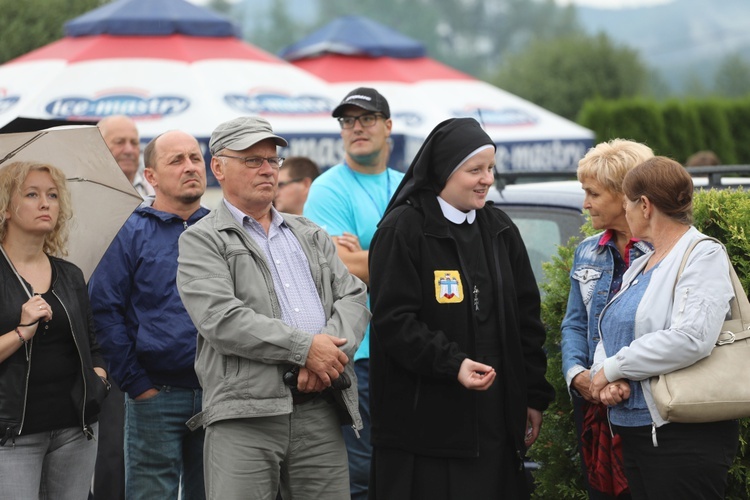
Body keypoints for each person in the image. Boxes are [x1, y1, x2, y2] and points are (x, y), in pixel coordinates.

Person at [176, 116, 370, 500]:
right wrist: (305, 349)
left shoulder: (309, 232)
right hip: (245, 414)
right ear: (218, 167)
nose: (267, 169)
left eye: (273, 159)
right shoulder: (201, 239)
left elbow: (354, 296)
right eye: (252, 160)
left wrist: (327, 357)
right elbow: (221, 319)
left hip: (320, 407)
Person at [368, 117, 555, 499]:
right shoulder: (404, 230)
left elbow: (527, 319)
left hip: (495, 419)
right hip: (426, 429)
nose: (487, 178)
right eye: (475, 170)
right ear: (444, 171)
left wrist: (533, 396)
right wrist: (452, 364)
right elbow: (394, 322)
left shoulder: (500, 229)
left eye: (490, 168)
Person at [590, 156, 739, 499]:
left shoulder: (703, 255)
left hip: (684, 437)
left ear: (644, 205)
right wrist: (605, 377)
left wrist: (613, 368)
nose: (624, 211)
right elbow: (610, 331)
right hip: (638, 432)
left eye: (627, 203)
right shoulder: (642, 263)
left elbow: (692, 338)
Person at [88, 130, 209, 499]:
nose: (190, 167)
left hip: (220, 393)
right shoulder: (129, 231)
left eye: (195, 158)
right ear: (151, 177)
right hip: (156, 393)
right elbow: (103, 310)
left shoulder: (223, 231)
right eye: (177, 160)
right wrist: (137, 384)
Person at [303, 87, 404, 499]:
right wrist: (398, 258)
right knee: (359, 472)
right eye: (348, 121)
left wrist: (365, 254)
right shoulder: (328, 189)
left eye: (367, 118)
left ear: (388, 126)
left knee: (403, 462)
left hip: (405, 347)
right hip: (355, 352)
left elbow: (429, 262)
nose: (357, 127)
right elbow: (335, 268)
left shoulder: (405, 185)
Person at [0, 161, 109, 498]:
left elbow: (92, 342)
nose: (45, 203)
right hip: (13, 434)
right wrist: (21, 331)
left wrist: (98, 379)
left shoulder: (70, 274)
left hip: (76, 429)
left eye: (52, 195)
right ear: (5, 207)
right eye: (31, 194)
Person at [561, 139, 654, 499]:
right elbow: (574, 323)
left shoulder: (665, 252)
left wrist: (613, 377)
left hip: (645, 408)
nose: (585, 204)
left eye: (593, 194)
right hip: (594, 408)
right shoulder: (587, 250)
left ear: (625, 194)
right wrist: (577, 376)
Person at [98, 114, 154, 198]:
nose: (129, 150)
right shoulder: (80, 194)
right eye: (119, 142)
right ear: (99, 146)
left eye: (134, 142)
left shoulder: (156, 189)